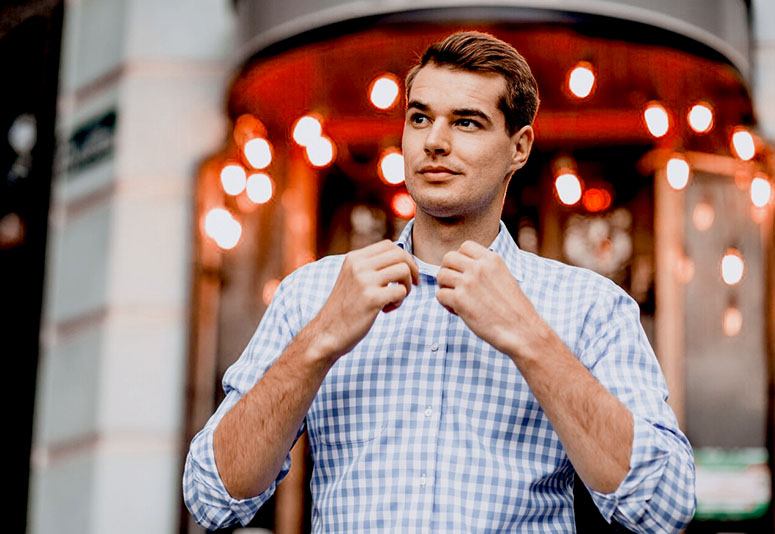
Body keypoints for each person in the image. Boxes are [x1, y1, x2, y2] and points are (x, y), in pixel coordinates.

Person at [183, 31, 696, 532]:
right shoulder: (313, 294)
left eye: (467, 122)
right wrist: (318, 340)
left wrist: (532, 340)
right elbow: (212, 498)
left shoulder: (590, 306)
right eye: (420, 117)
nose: (434, 141)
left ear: (519, 148)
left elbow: (662, 508)